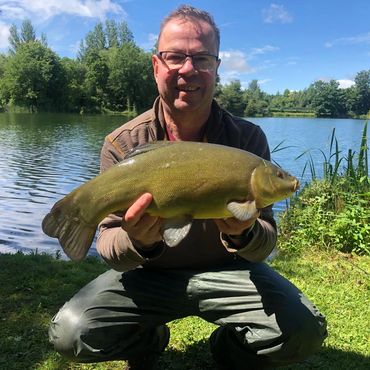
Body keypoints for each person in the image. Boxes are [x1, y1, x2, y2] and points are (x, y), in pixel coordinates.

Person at [49, 5, 327, 370]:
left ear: (216, 68)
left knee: (303, 330)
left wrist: (245, 235)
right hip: (148, 278)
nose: (188, 69)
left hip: (230, 273)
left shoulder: (247, 140)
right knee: (71, 334)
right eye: (175, 56)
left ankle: (228, 350)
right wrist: (139, 241)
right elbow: (108, 246)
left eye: (202, 58)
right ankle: (148, 339)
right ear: (155, 66)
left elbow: (266, 242)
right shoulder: (122, 143)